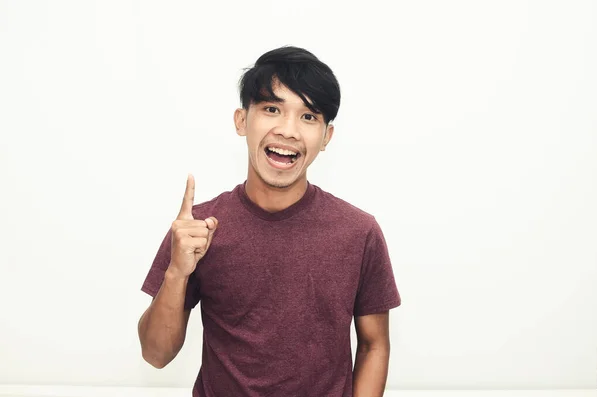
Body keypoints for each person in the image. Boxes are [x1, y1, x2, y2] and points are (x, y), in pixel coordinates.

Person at [138, 45, 401, 397]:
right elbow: (156, 354)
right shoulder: (198, 229)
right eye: (272, 109)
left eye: (309, 117)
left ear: (326, 137)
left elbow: (373, 346)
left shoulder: (359, 232)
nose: (288, 130)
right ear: (242, 120)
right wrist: (176, 272)